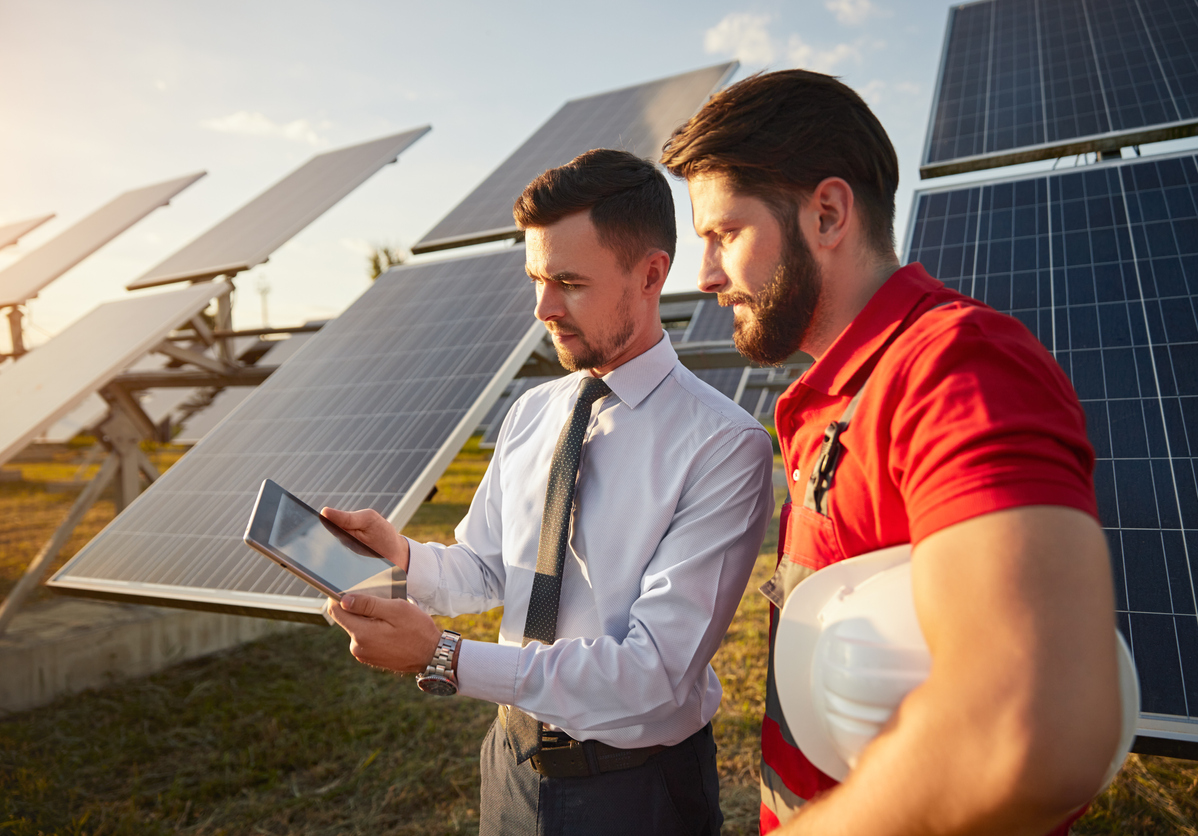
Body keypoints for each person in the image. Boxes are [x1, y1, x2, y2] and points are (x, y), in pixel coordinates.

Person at [660, 70, 1122, 836]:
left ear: (829, 214)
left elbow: (1035, 734)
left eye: (724, 234)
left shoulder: (957, 368)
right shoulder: (830, 400)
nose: (704, 275)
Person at [323, 148, 775, 835]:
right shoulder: (535, 411)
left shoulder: (722, 445)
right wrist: (404, 560)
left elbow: (652, 673)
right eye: (537, 277)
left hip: (637, 791)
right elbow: (488, 569)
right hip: (509, 760)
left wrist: (444, 657)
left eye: (568, 281)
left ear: (652, 274)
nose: (542, 307)